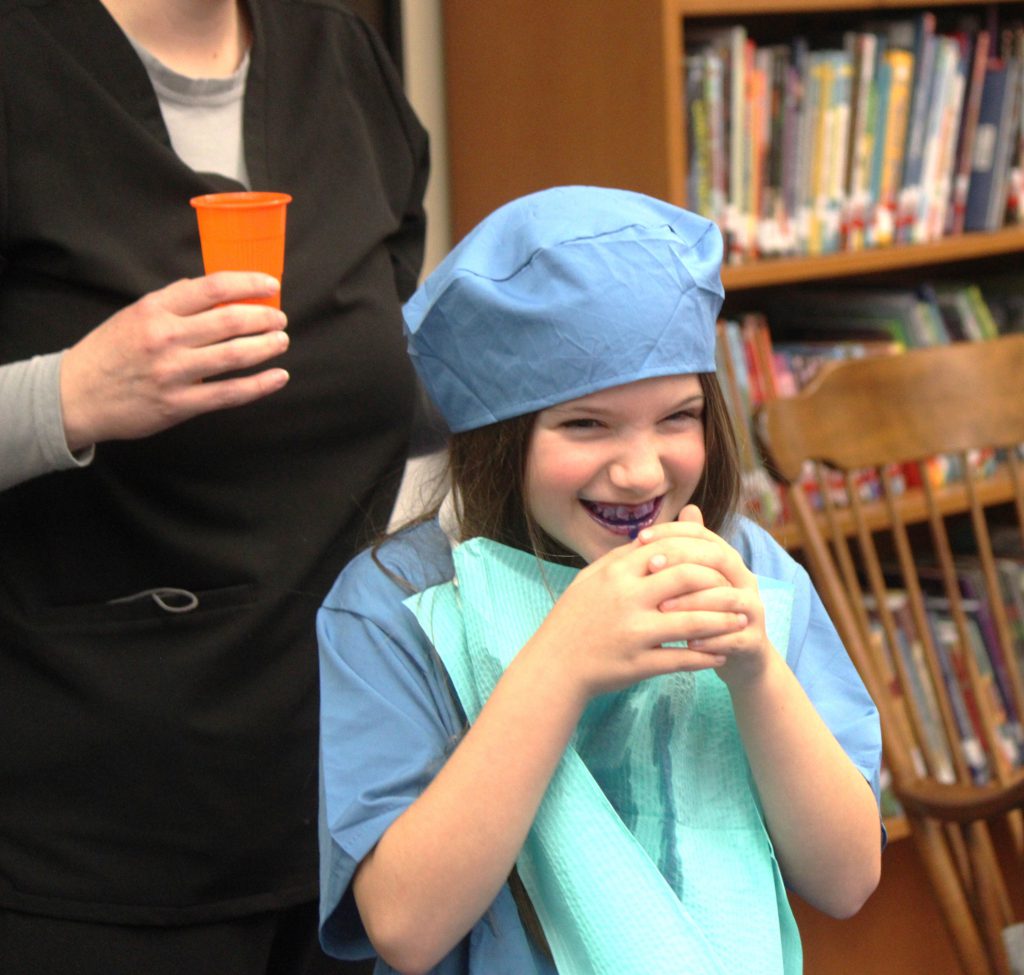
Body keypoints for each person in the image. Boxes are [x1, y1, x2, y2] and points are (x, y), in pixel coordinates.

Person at [317, 186, 884, 974]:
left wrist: (757, 670)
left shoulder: (748, 567)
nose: (642, 469)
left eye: (678, 416)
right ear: (496, 439)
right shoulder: (392, 607)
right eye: (586, 424)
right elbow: (407, 930)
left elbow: (848, 878)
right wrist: (562, 660)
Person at [0, 1, 428, 973]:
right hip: (88, 841)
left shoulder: (337, 48)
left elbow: (396, 325)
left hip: (351, 802)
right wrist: (70, 394)